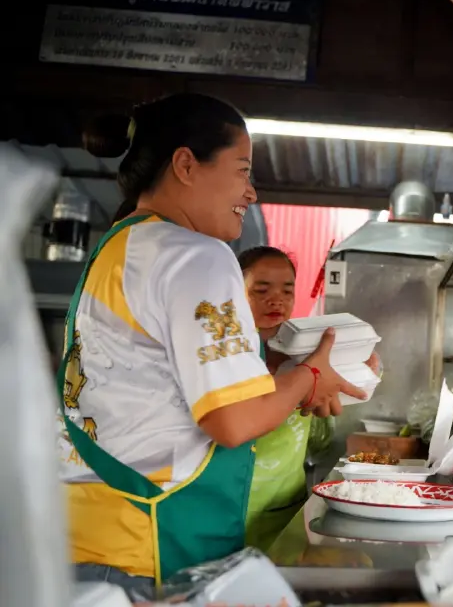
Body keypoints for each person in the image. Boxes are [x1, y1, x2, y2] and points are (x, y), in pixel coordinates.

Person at [60, 93, 366, 597]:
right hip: (147, 545)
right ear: (185, 165)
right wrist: (309, 377)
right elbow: (232, 420)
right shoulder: (195, 253)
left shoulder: (119, 246)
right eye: (242, 170)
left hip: (90, 536)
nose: (251, 191)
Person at [237, 246, 381, 552]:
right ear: (233, 291)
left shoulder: (309, 355)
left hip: (284, 510)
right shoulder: (227, 357)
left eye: (287, 290)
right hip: (229, 509)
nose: (276, 299)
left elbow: (318, 441)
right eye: (261, 290)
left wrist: (346, 379)